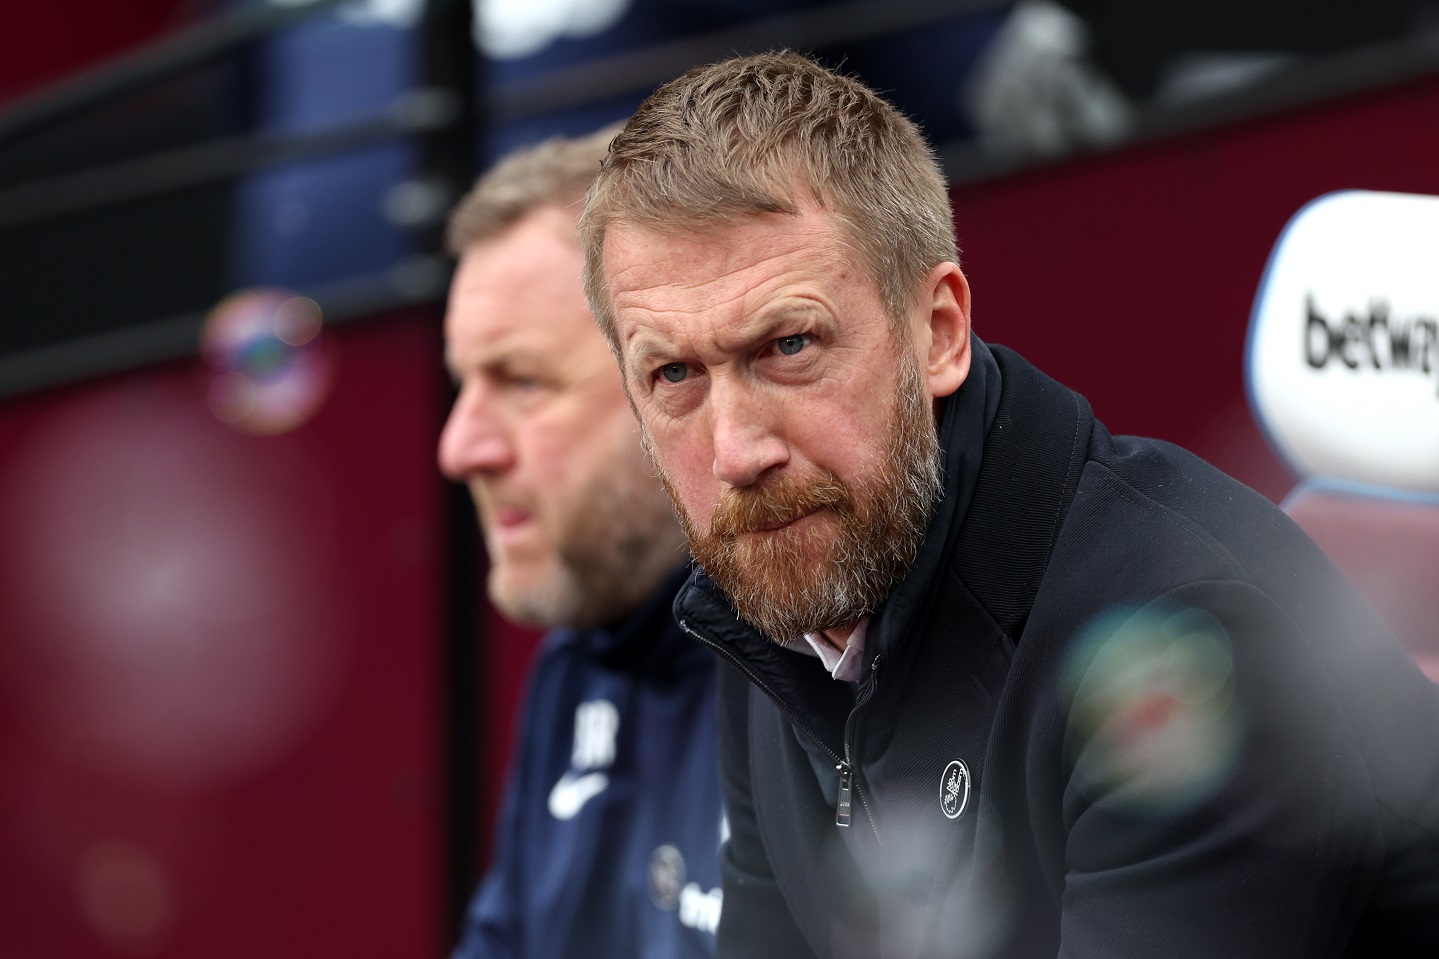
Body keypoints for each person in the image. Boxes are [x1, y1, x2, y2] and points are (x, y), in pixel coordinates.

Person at [576, 51, 1439, 958]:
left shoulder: (1190, 633)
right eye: (673, 374)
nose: (736, 452)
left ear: (939, 332)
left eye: (790, 345)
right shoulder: (777, 590)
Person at [438, 126, 723, 959]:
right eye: (464, 385)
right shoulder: (577, 664)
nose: (460, 448)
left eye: (521, 381)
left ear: (674, 381)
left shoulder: (852, 667)